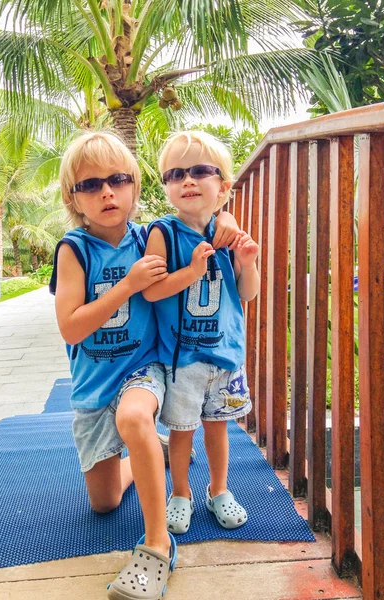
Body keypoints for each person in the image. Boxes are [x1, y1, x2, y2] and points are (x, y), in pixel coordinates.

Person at [50, 130, 241, 600]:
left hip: (143, 369)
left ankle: (158, 545)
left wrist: (227, 220)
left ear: (136, 185)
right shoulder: (74, 250)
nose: (107, 192)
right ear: (73, 198)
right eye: (90, 185)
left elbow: (200, 220)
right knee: (105, 501)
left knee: (133, 416)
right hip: (95, 381)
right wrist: (128, 285)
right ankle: (148, 451)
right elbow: (72, 329)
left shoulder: (149, 237)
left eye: (117, 179)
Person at [143, 130, 260, 536]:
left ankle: (219, 488)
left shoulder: (228, 234)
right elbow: (152, 289)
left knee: (218, 426)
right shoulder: (164, 232)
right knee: (181, 429)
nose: (187, 180)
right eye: (175, 174)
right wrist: (191, 272)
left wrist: (248, 262)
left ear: (223, 187)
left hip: (224, 354)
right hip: (182, 356)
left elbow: (247, 294)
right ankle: (180, 492)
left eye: (199, 171)